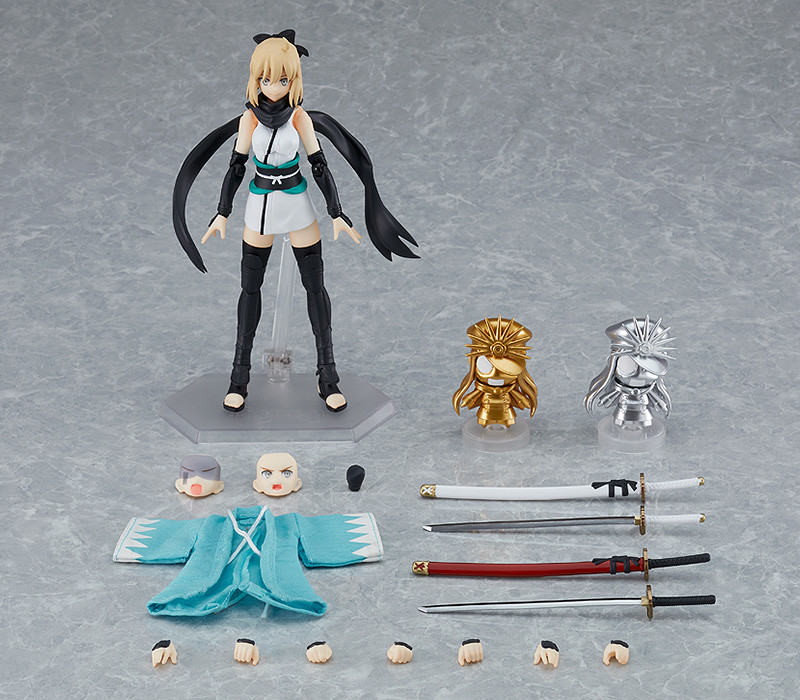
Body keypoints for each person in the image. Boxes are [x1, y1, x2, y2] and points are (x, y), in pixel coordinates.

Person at [173, 30, 418, 413]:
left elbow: (319, 165)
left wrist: (336, 212)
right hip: (260, 205)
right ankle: (238, 378)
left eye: (282, 79)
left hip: (296, 203)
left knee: (315, 288)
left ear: (294, 80)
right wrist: (222, 211)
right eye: (265, 79)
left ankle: (328, 377)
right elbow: (236, 167)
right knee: (250, 290)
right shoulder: (248, 120)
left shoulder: (300, 118)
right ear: (256, 79)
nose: (273, 86)